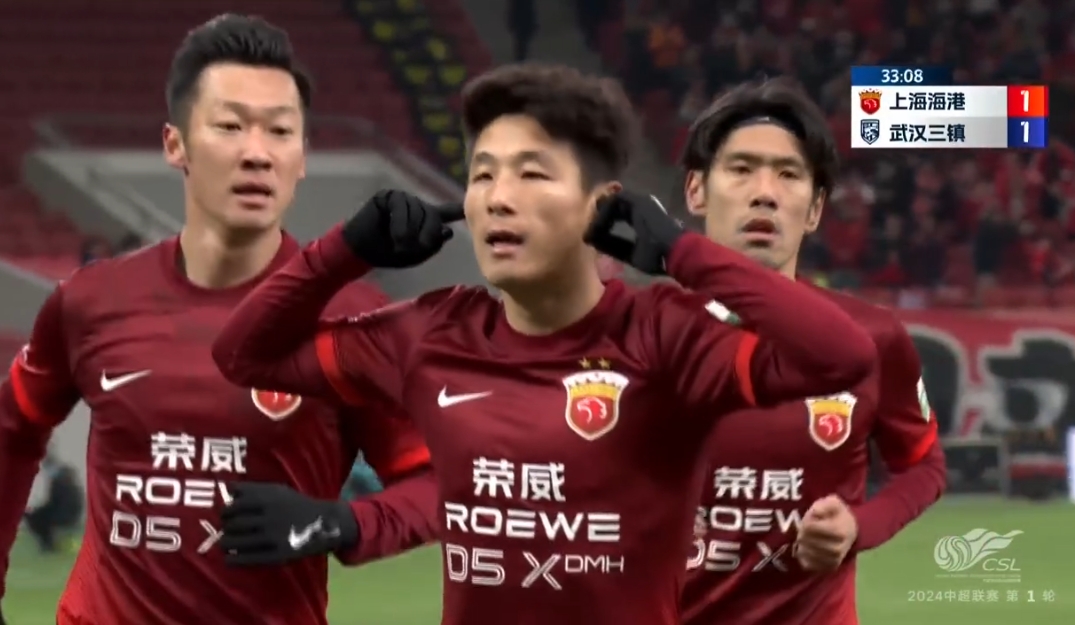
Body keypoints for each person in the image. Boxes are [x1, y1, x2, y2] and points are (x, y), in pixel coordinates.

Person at [211, 62, 878, 624]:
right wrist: (344, 251)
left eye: (532, 174)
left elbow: (839, 356)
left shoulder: (664, 336)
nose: (499, 198)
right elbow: (243, 354)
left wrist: (684, 253)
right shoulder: (428, 333)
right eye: (483, 175)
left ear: (601, 205)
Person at [0, 14, 438, 625]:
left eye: (281, 131)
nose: (257, 153)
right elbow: (12, 430)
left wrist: (340, 522)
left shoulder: (353, 320)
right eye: (230, 126)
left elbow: (442, 485)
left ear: (302, 157)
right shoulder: (90, 302)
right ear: (175, 144)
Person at [678, 78, 947, 625]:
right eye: (741, 169)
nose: (765, 192)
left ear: (816, 208)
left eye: (788, 174)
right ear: (697, 191)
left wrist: (858, 527)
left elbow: (924, 465)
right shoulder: (637, 334)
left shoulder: (873, 336)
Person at [23, 454, 84, 553]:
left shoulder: (60, 482)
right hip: (69, 513)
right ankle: (48, 544)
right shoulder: (65, 478)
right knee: (35, 516)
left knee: (36, 519)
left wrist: (36, 511)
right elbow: (54, 503)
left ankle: (48, 545)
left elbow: (54, 503)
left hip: (66, 515)